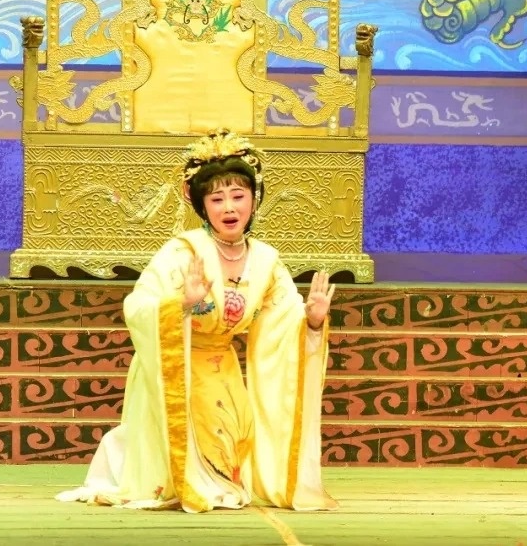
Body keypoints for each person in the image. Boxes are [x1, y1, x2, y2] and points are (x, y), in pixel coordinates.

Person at [56, 128, 338, 513]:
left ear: (254, 200)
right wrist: (181, 304)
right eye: (217, 199)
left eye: (238, 196)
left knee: (236, 435)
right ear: (203, 206)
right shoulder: (182, 252)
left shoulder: (266, 261)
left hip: (224, 369)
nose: (229, 208)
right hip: (178, 365)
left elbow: (283, 324)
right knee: (199, 441)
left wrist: (312, 322)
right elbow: (139, 305)